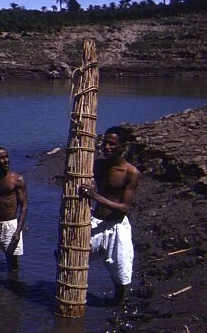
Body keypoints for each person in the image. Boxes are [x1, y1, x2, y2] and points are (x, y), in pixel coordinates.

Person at [79, 126, 140, 305]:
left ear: (123, 146)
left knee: (120, 273)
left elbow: (124, 208)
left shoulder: (131, 173)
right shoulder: (98, 166)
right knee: (68, 253)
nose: (107, 147)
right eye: (105, 143)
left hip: (117, 226)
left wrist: (96, 196)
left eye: (112, 144)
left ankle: (118, 304)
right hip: (97, 221)